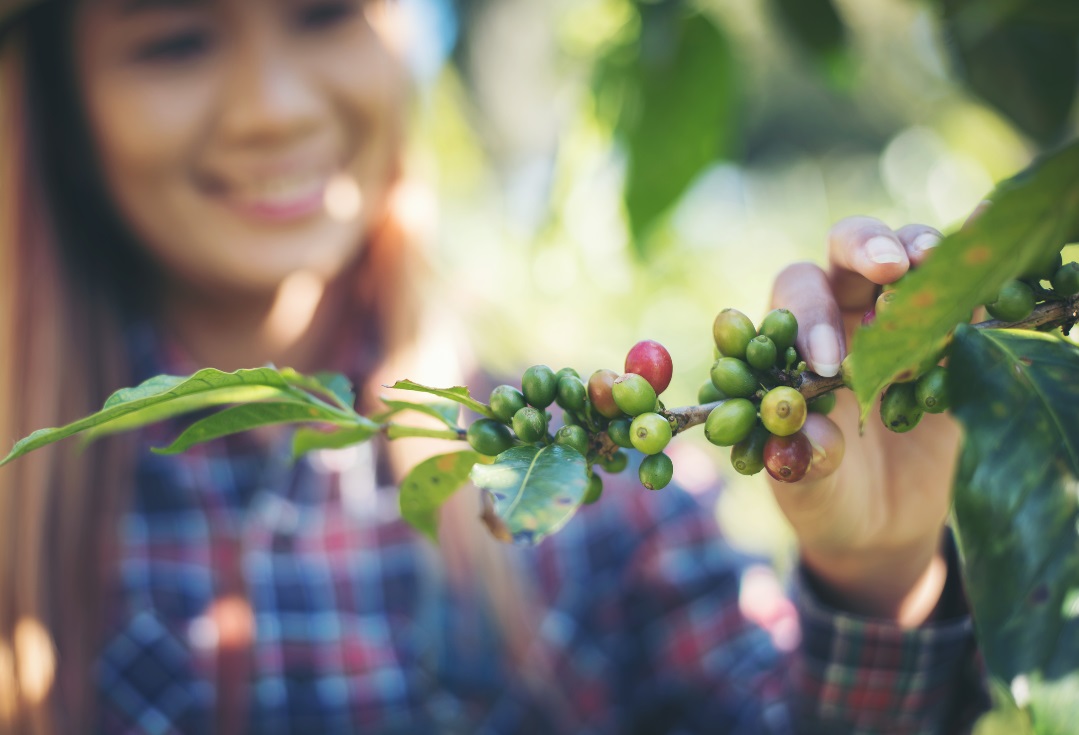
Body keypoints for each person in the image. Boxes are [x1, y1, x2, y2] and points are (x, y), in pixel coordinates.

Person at [0, 0, 986, 733]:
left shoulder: (588, 500)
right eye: (174, 40)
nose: (272, 107)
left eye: (326, 13)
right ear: (55, 90)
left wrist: (872, 573)